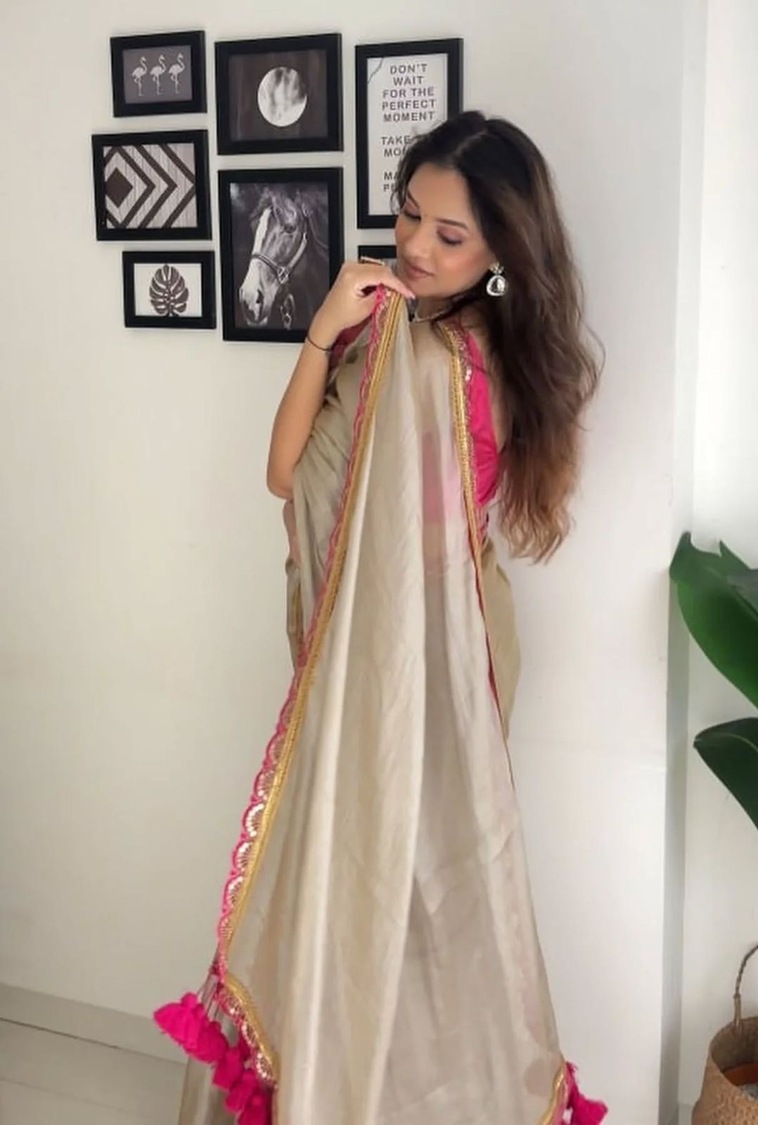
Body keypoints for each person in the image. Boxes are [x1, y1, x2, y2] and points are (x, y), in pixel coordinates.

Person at [155, 110, 606, 1125]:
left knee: (384, 882)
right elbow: (306, 480)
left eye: (450, 234)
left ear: (502, 249)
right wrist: (332, 328)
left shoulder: (445, 352)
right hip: (421, 640)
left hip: (421, 653)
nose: (415, 245)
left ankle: (360, 1095)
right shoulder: (452, 338)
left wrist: (338, 333)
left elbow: (300, 480)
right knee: (409, 884)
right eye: (408, 215)